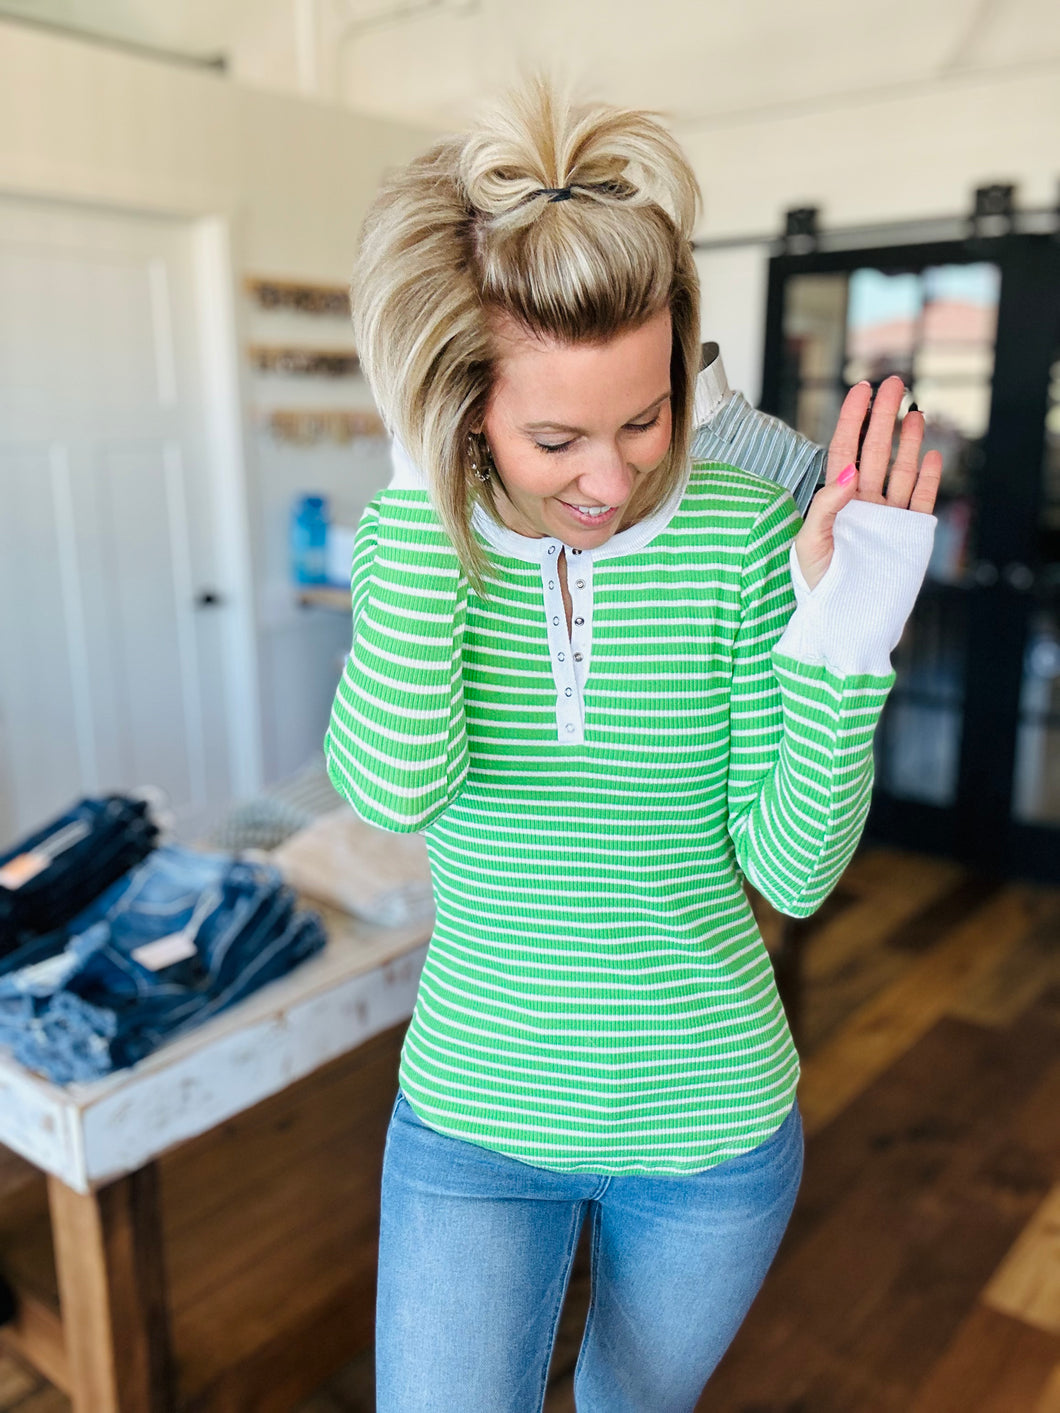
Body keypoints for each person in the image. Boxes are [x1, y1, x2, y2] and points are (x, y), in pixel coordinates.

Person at [324, 77, 940, 1413]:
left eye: (645, 418)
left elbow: (788, 869)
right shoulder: (415, 538)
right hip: (474, 1119)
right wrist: (431, 510)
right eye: (556, 436)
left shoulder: (738, 535)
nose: (609, 479)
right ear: (464, 403)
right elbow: (392, 782)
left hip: (711, 1128)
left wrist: (846, 638)